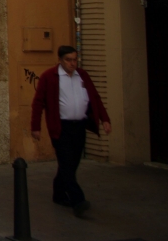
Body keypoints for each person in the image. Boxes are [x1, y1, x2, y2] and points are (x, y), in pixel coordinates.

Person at [31, 45, 111, 217]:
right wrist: (35, 127)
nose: (72, 63)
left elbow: (95, 98)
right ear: (60, 60)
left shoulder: (82, 75)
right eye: (68, 60)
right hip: (61, 128)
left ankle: (58, 193)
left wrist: (105, 119)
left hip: (79, 126)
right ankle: (78, 201)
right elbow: (38, 103)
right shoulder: (49, 77)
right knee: (67, 164)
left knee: (72, 163)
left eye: (75, 59)